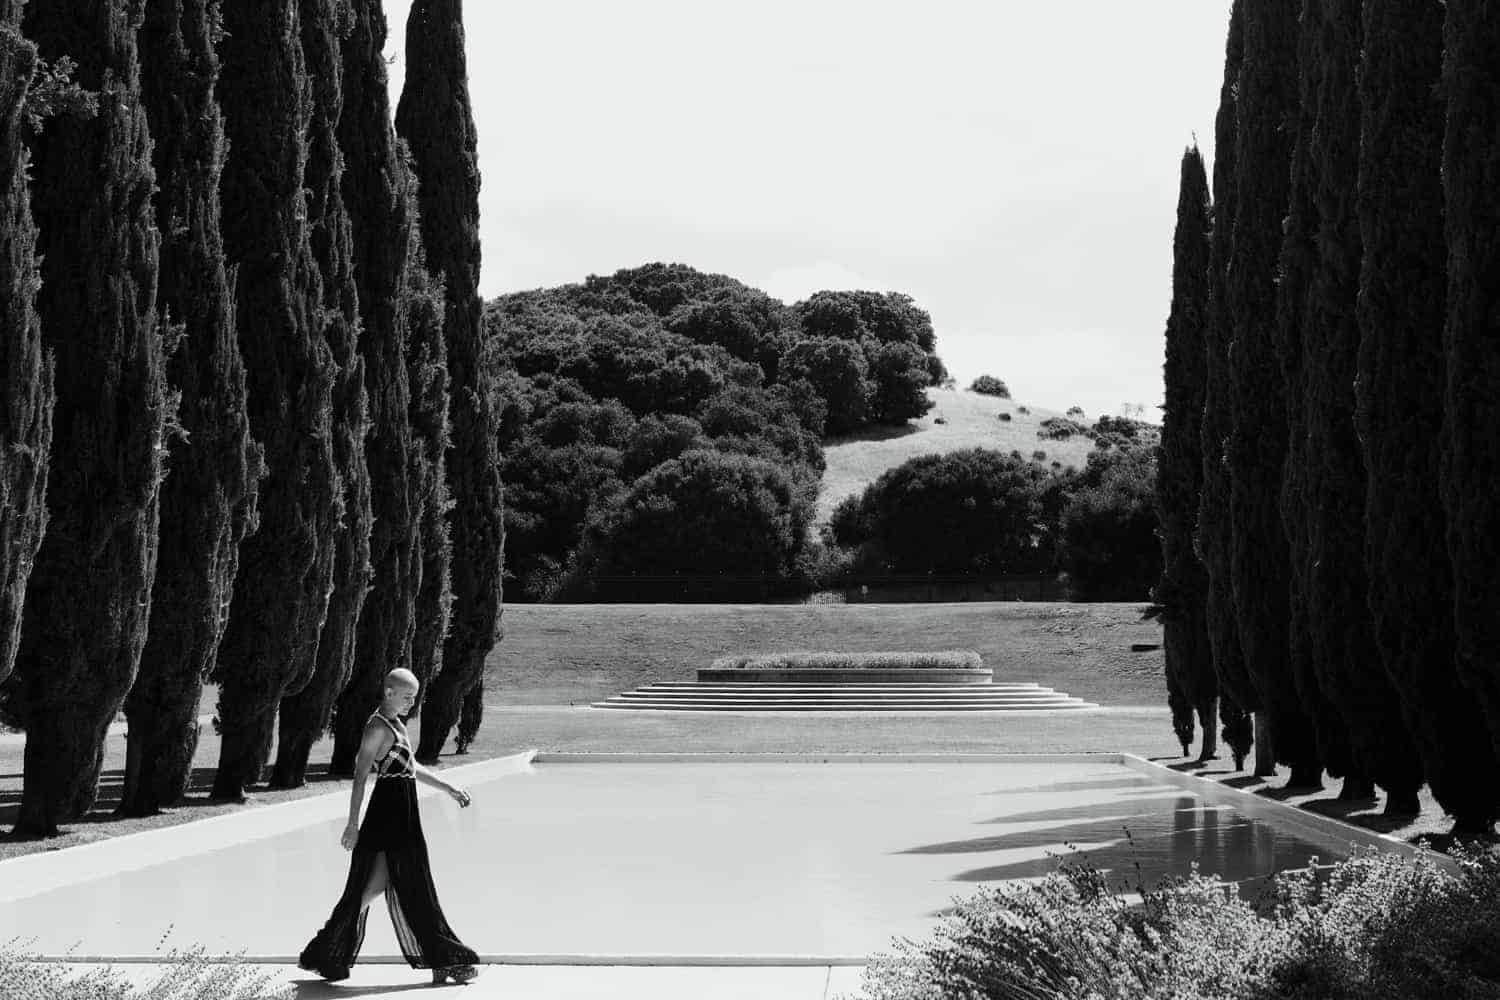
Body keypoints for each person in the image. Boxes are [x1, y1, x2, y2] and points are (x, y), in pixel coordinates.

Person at [298, 668, 480, 985]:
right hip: (388, 815)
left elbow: (410, 766)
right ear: (389, 692)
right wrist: (352, 825)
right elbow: (359, 777)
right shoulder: (376, 727)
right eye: (407, 696)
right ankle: (443, 958)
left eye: (414, 697)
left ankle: (325, 949)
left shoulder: (396, 724)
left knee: (379, 886)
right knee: (413, 884)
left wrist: (446, 787)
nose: (412, 702)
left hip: (403, 810)